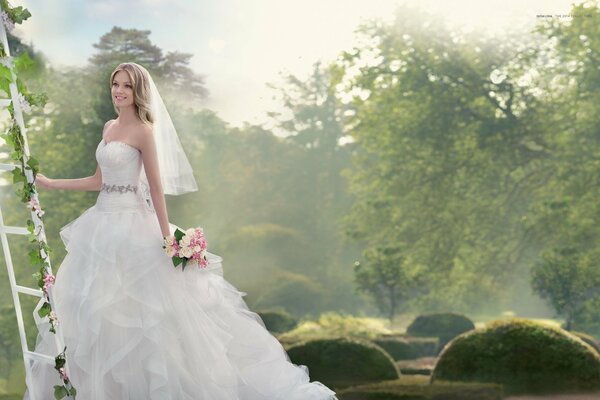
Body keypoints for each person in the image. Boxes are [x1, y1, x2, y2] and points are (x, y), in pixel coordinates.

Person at [23, 62, 337, 400]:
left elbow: (155, 188)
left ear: (137, 91)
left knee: (149, 320)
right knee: (98, 314)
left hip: (133, 223)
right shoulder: (109, 127)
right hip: (101, 225)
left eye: (127, 86)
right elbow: (98, 181)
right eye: (115, 84)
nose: (119, 91)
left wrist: (165, 237)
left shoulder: (144, 130)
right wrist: (51, 183)